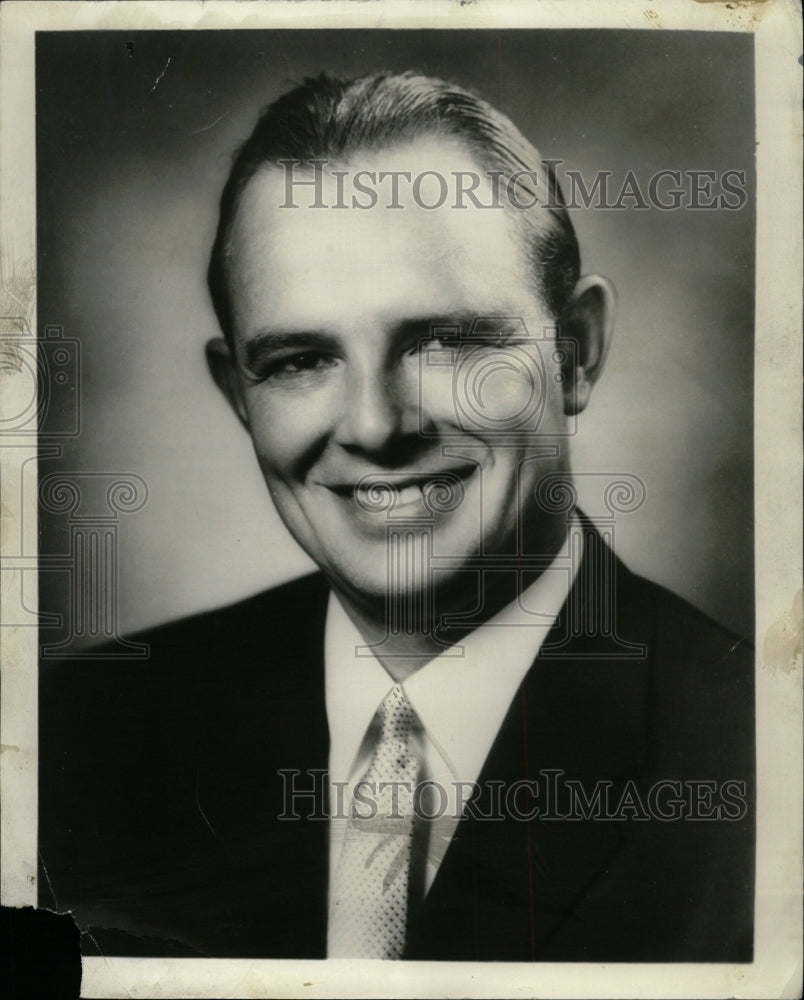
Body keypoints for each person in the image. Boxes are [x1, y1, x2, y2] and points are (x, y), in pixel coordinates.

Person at [38, 72, 754, 962]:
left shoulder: (765, 755)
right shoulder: (65, 740)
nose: (375, 426)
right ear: (239, 394)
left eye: (445, 341)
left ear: (575, 352)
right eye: (301, 359)